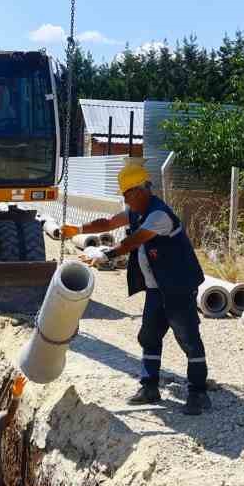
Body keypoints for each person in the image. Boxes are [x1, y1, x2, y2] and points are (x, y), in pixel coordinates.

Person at [61, 162, 211, 414]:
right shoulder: (136, 210)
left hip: (178, 286)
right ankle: (149, 387)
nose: (125, 200)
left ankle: (198, 393)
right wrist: (79, 229)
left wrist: (105, 254)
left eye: (127, 194)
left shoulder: (158, 215)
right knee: (149, 336)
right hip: (157, 288)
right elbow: (108, 222)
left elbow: (134, 240)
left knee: (188, 338)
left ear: (140, 190)